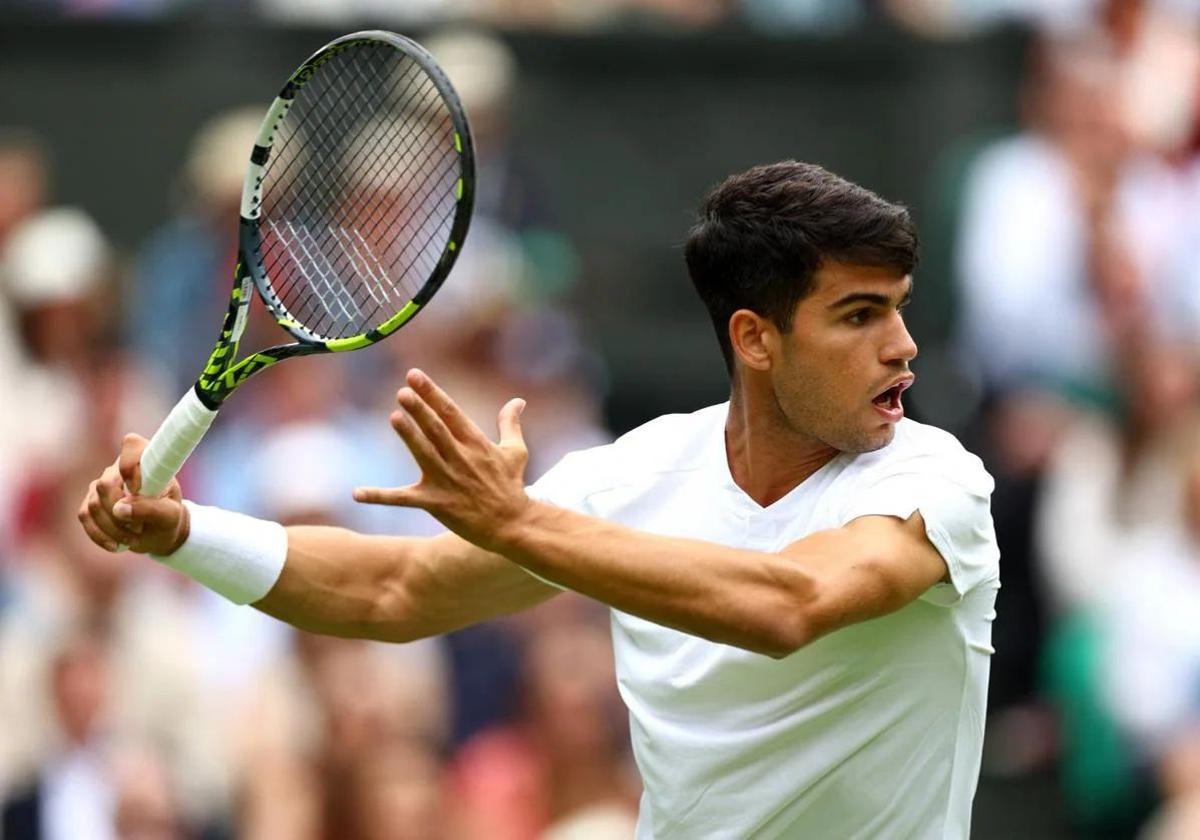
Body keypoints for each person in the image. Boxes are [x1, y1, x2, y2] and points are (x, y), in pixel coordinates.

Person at [79, 161, 1000, 838]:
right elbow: (393, 590)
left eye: (900, 307)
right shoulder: (632, 476)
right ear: (756, 340)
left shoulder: (936, 481)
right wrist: (183, 531)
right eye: (860, 314)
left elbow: (789, 604)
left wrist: (521, 522)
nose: (903, 346)